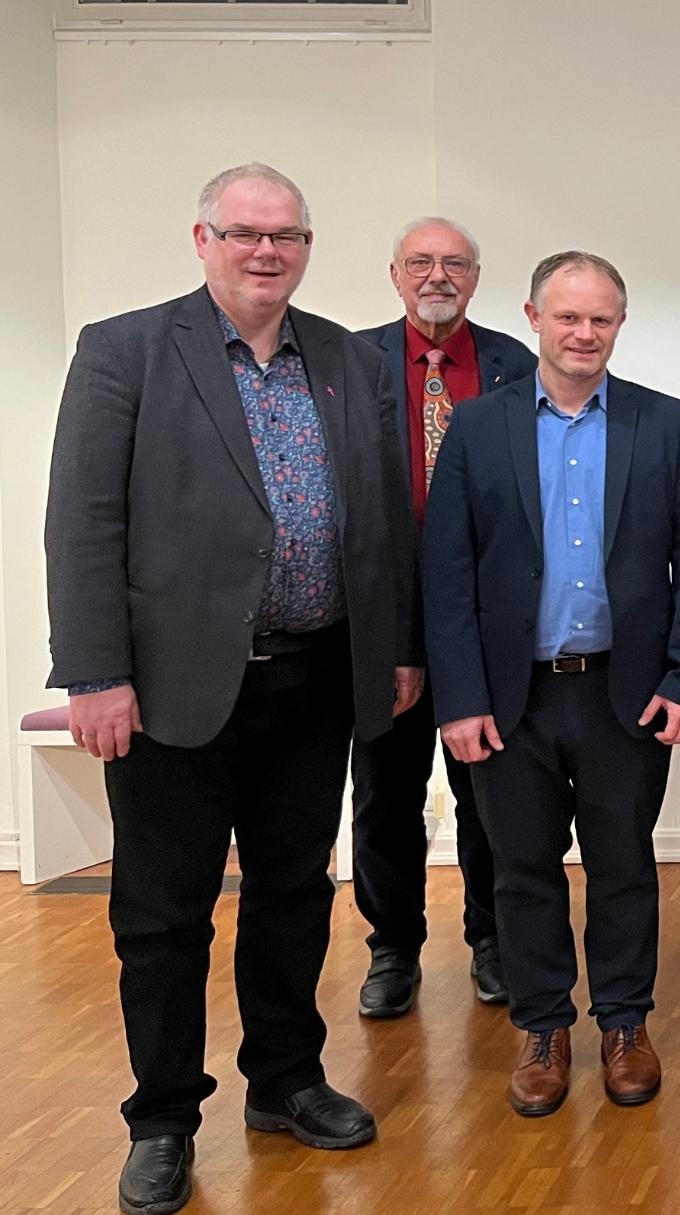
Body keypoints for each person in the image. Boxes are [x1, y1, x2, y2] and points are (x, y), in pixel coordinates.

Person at [46, 162, 420, 1215]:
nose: (269, 252)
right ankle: (162, 1117)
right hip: (171, 692)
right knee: (163, 917)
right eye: (246, 233)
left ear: (308, 248)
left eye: (288, 236)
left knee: (296, 894)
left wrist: (392, 650)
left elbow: (381, 525)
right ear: (201, 238)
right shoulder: (126, 351)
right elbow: (82, 523)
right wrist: (95, 672)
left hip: (313, 679)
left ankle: (286, 1081)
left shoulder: (345, 358)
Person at [423, 251, 680, 1119]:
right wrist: (461, 698)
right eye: (568, 317)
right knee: (522, 870)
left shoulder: (663, 426)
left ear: (619, 326)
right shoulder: (479, 428)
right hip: (511, 698)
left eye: (601, 319)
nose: (584, 333)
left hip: (623, 691)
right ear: (533, 318)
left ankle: (625, 1023)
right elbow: (447, 575)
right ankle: (543, 1027)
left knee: (625, 864)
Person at [350, 216, 537, 1018]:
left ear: (476, 275)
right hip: (381, 620)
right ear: (393, 274)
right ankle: (393, 947)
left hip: (487, 627)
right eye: (420, 263)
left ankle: (491, 938)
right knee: (385, 799)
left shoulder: (512, 365)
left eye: (454, 263)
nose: (437, 276)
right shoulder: (348, 364)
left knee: (488, 796)